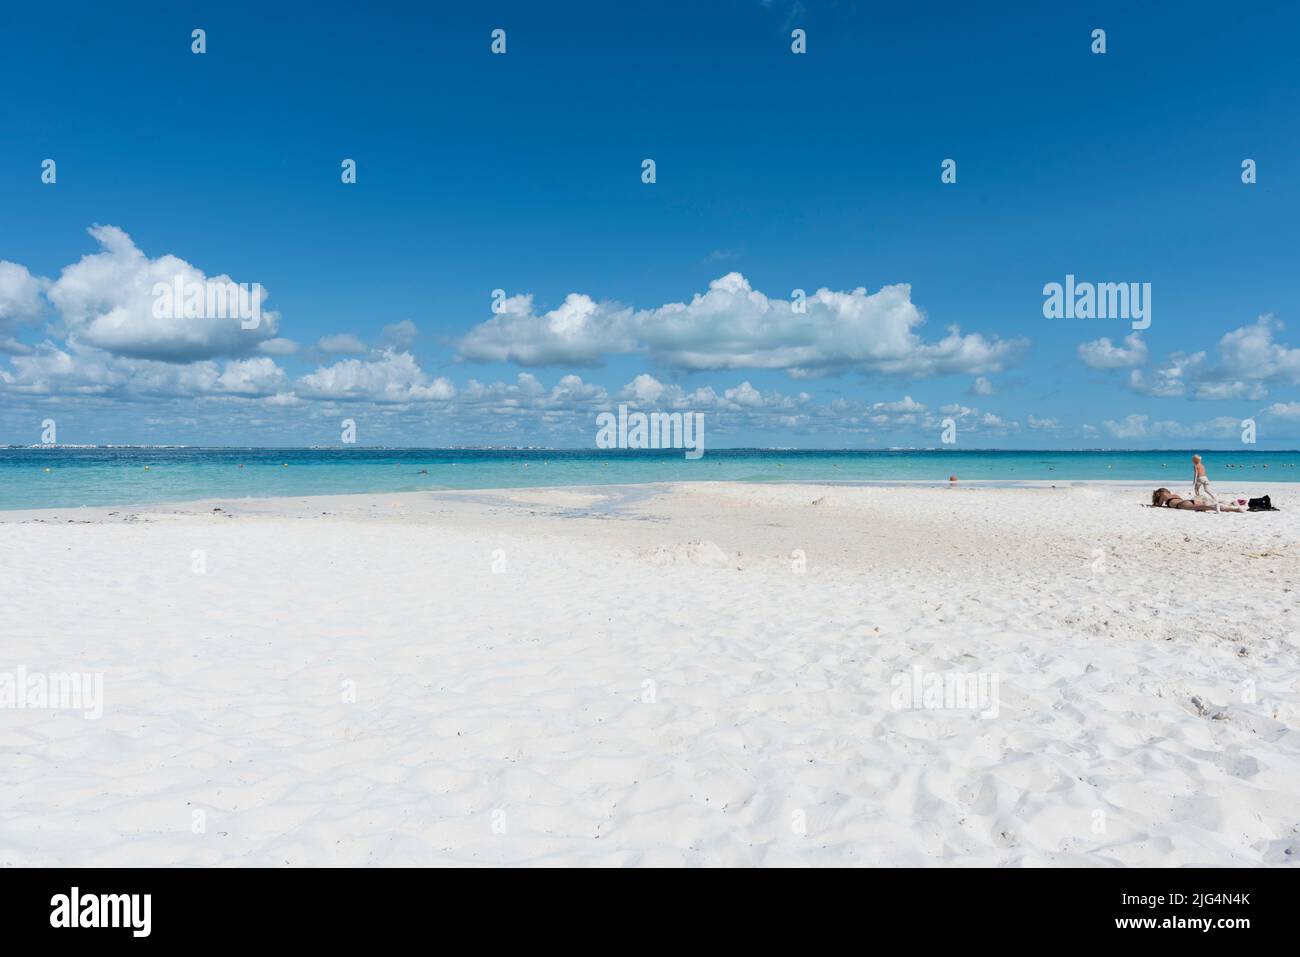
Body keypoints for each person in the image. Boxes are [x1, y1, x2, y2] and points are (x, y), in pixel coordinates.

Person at [1151, 488, 1241, 512]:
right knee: (1204, 507)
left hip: (1181, 504)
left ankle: (1215, 507)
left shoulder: (1162, 494)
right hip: (1188, 500)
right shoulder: (1175, 494)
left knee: (1208, 507)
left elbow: (1158, 505)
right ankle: (1235, 508)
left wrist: (1154, 502)